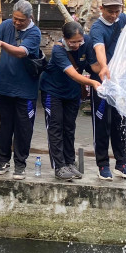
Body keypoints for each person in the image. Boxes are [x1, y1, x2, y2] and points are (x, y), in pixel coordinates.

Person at [39, 21, 98, 180]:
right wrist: (92, 83)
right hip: (53, 92)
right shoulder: (58, 50)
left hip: (72, 93)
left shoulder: (87, 43)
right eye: (73, 42)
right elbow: (72, 74)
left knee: (69, 127)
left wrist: (106, 70)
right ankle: (59, 166)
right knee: (55, 126)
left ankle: (70, 162)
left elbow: (94, 65)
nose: (77, 45)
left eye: (80, 41)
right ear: (64, 38)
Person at [0, 1, 42, 180]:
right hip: (5, 85)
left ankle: (20, 164)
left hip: (26, 88)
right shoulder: (6, 25)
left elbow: (21, 52)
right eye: (15, 18)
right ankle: (2, 160)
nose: (17, 23)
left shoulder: (35, 33)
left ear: (30, 18)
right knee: (5, 126)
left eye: (21, 20)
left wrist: (2, 44)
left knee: (23, 128)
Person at [88, 0, 126, 180]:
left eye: (117, 11)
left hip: (119, 81)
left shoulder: (121, 18)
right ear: (101, 9)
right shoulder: (97, 28)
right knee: (102, 123)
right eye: (110, 12)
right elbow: (99, 48)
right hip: (102, 81)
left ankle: (122, 162)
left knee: (120, 122)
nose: (114, 16)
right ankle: (103, 164)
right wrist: (105, 66)